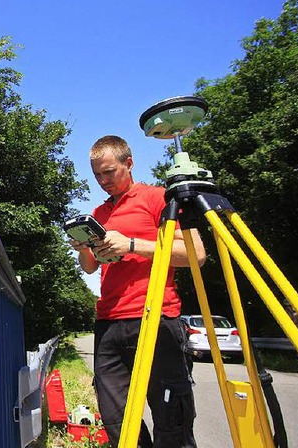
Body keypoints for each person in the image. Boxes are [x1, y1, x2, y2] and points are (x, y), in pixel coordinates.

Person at [70, 135, 206, 448]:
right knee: (114, 415)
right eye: (97, 175)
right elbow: (89, 267)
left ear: (129, 163)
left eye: (109, 172)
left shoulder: (159, 198)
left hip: (155, 316)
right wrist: (83, 247)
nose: (103, 181)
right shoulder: (98, 213)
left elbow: (195, 254)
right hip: (109, 323)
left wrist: (132, 245)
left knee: (171, 415)